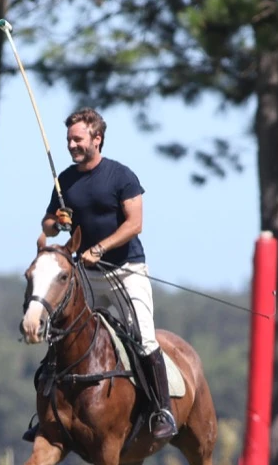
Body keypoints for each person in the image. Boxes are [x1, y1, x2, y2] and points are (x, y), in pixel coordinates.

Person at [39, 107, 177, 441]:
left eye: (78, 139)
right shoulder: (65, 181)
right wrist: (57, 222)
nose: (71, 145)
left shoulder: (121, 176)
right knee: (61, 336)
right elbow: (47, 225)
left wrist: (100, 248)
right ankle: (47, 415)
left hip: (126, 271)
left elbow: (135, 224)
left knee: (143, 339)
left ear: (97, 139)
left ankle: (162, 411)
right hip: (86, 275)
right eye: (69, 140)